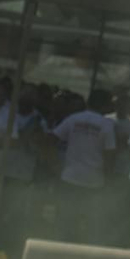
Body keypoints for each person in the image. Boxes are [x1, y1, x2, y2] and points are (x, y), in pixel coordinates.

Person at [50, 88, 118, 244]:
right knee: (88, 226)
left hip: (69, 178)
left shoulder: (74, 119)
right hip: (94, 182)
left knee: (65, 223)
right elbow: (110, 155)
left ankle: (60, 252)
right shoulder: (106, 125)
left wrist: (55, 165)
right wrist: (109, 179)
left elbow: (49, 139)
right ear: (106, 105)